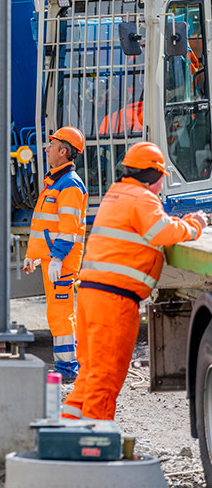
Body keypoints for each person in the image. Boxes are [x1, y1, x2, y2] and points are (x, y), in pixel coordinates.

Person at [62, 142, 208, 420]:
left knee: (89, 375)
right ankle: (95, 440)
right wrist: (195, 224)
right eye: (161, 177)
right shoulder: (141, 198)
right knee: (106, 378)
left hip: (92, 296)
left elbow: (149, 226)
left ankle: (68, 432)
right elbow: (162, 232)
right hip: (114, 302)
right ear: (153, 175)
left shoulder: (117, 194)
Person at [23, 126, 87, 379]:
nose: (47, 148)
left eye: (52, 144)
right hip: (53, 260)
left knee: (61, 315)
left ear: (63, 151)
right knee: (58, 313)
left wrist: (58, 257)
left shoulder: (69, 185)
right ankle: (68, 365)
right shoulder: (56, 183)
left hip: (62, 261)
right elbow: (45, 226)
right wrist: (33, 255)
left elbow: (68, 229)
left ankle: (67, 369)